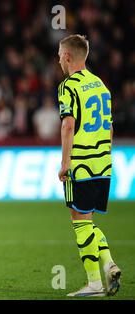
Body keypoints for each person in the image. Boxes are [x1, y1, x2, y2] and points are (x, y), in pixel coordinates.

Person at [57, 34, 121, 297]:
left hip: (80, 163)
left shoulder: (68, 86)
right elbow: (110, 126)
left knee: (80, 222)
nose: (58, 59)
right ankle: (109, 264)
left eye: (60, 55)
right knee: (88, 221)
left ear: (68, 57)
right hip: (103, 162)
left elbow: (68, 124)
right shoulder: (101, 85)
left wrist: (64, 163)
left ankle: (94, 282)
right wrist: (106, 157)